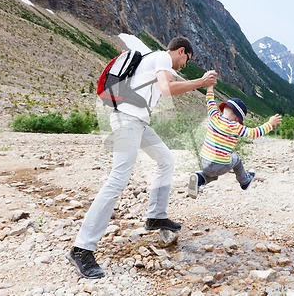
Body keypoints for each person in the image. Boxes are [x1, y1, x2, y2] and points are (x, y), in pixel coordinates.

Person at [67, 36, 218, 279]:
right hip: (127, 121)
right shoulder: (161, 57)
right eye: (186, 60)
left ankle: (155, 217)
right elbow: (168, 89)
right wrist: (201, 81)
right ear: (181, 51)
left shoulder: (158, 61)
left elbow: (168, 87)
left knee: (166, 160)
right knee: (118, 179)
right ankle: (81, 248)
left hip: (138, 122)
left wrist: (198, 82)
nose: (184, 66)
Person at [187, 85, 282, 199]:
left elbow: (210, 101)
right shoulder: (235, 126)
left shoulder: (214, 116)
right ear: (238, 118)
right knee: (236, 159)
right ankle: (245, 181)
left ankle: (198, 178)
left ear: (223, 108)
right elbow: (254, 133)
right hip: (219, 163)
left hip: (204, 161)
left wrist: (210, 87)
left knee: (212, 174)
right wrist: (270, 124)